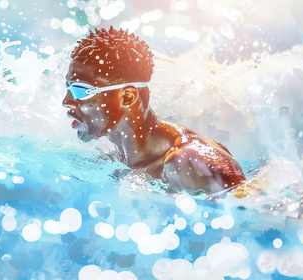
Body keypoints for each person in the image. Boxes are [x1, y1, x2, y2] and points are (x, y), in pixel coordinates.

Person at [62, 27, 246, 196]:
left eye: (81, 90)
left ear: (127, 97)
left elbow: (251, 213)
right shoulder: (112, 160)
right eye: (68, 88)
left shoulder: (189, 161)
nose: (67, 101)